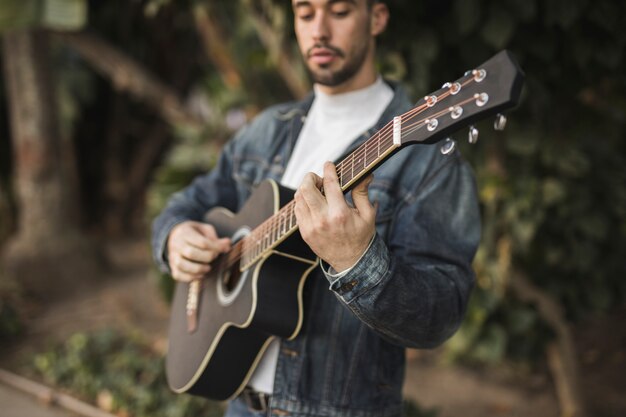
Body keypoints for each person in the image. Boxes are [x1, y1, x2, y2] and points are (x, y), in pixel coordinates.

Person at [151, 0, 480, 416]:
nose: (319, 30)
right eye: (305, 13)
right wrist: (175, 236)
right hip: (239, 407)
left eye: (339, 12)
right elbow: (187, 203)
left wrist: (359, 262)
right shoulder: (267, 130)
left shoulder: (428, 160)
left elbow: (441, 313)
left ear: (377, 17)